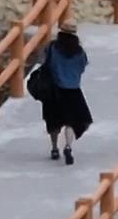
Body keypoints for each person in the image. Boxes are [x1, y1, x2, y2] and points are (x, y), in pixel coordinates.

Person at [26, 27, 92, 163]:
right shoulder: (79, 52)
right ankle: (68, 146)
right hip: (73, 90)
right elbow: (82, 67)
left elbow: (42, 61)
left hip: (54, 89)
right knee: (72, 121)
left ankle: (54, 148)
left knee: (53, 121)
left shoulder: (52, 47)